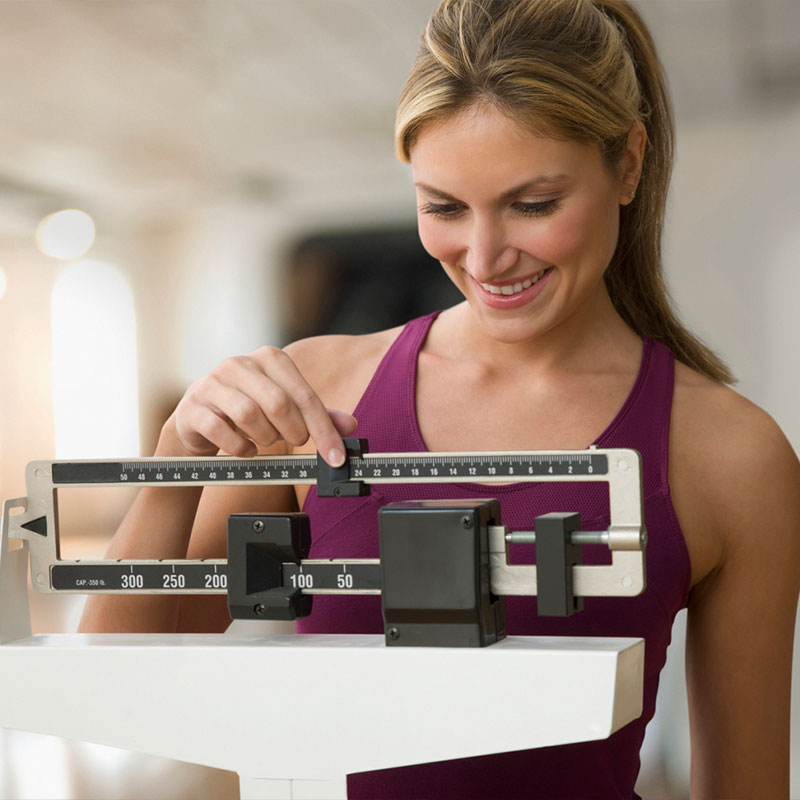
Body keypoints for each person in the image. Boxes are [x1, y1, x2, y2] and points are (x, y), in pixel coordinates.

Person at [80, 0, 800, 797]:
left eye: (533, 204)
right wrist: (177, 453)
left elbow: (746, 783)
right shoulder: (320, 393)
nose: (485, 257)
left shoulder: (732, 456)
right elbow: (121, 685)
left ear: (628, 163)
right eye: (444, 207)